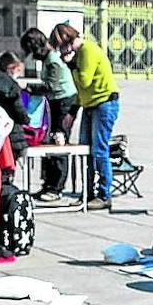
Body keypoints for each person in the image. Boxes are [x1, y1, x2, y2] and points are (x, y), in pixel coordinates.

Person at [49, 23, 120, 211]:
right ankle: (87, 192)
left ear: (68, 40)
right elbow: (82, 89)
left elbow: (84, 80)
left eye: (61, 46)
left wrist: (70, 63)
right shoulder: (79, 54)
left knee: (99, 150)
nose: (61, 51)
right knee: (84, 150)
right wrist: (73, 111)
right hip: (90, 104)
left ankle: (104, 195)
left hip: (104, 103)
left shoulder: (87, 51)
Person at [21, 28, 79, 203]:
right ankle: (48, 183)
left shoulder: (52, 59)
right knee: (49, 141)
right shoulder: (48, 58)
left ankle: (56, 187)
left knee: (59, 142)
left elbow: (50, 87)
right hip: (55, 102)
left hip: (64, 102)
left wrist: (28, 88)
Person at [0, 51, 31, 162]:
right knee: (8, 168)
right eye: (18, 69)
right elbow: (18, 108)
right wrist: (26, 120)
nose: (18, 73)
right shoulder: (11, 87)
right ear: (10, 67)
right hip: (12, 133)